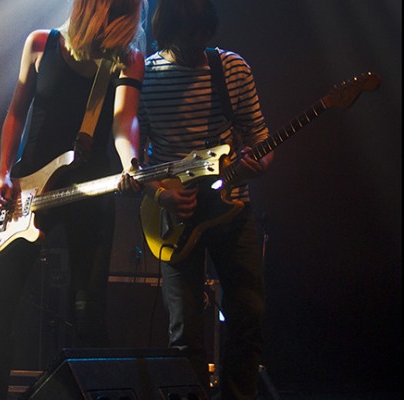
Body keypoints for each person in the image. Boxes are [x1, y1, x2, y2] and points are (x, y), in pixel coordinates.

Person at [0, 1, 147, 399]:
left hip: (88, 191)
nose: (122, 19)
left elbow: (125, 122)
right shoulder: (40, 44)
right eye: (116, 9)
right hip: (27, 193)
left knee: (88, 313)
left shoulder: (128, 59)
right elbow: (15, 113)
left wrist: (132, 164)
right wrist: (4, 173)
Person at [138, 0, 274, 399]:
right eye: (186, 35)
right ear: (167, 29)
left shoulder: (231, 68)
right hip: (173, 217)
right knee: (185, 331)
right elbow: (135, 159)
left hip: (232, 209)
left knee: (248, 316)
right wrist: (162, 195)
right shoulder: (145, 75)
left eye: (203, 34)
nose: (196, 43)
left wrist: (259, 164)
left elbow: (261, 141)